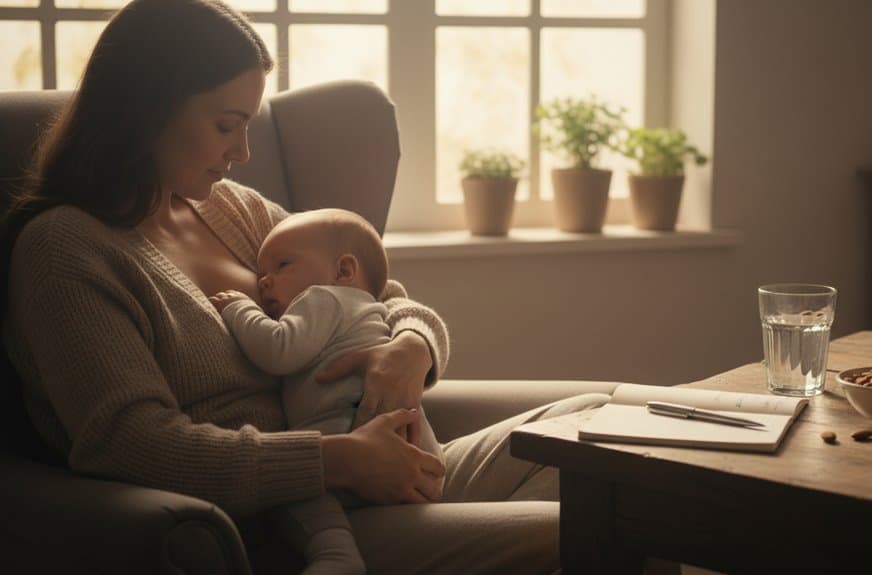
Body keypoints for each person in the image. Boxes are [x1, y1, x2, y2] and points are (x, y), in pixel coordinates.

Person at [1, 1, 609, 573]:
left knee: (606, 436)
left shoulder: (228, 209)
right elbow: (130, 445)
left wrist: (412, 348)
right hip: (303, 524)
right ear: (147, 110)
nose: (241, 152)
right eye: (225, 126)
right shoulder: (65, 250)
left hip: (382, 466)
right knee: (617, 527)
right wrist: (339, 461)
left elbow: (378, 291)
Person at [209, 207, 445, 574]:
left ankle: (337, 555)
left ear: (344, 271)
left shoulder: (321, 297)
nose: (264, 282)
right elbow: (385, 291)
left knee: (297, 497)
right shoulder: (365, 304)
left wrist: (240, 308)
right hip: (414, 447)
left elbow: (279, 349)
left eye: (282, 266)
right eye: (261, 274)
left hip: (342, 432)